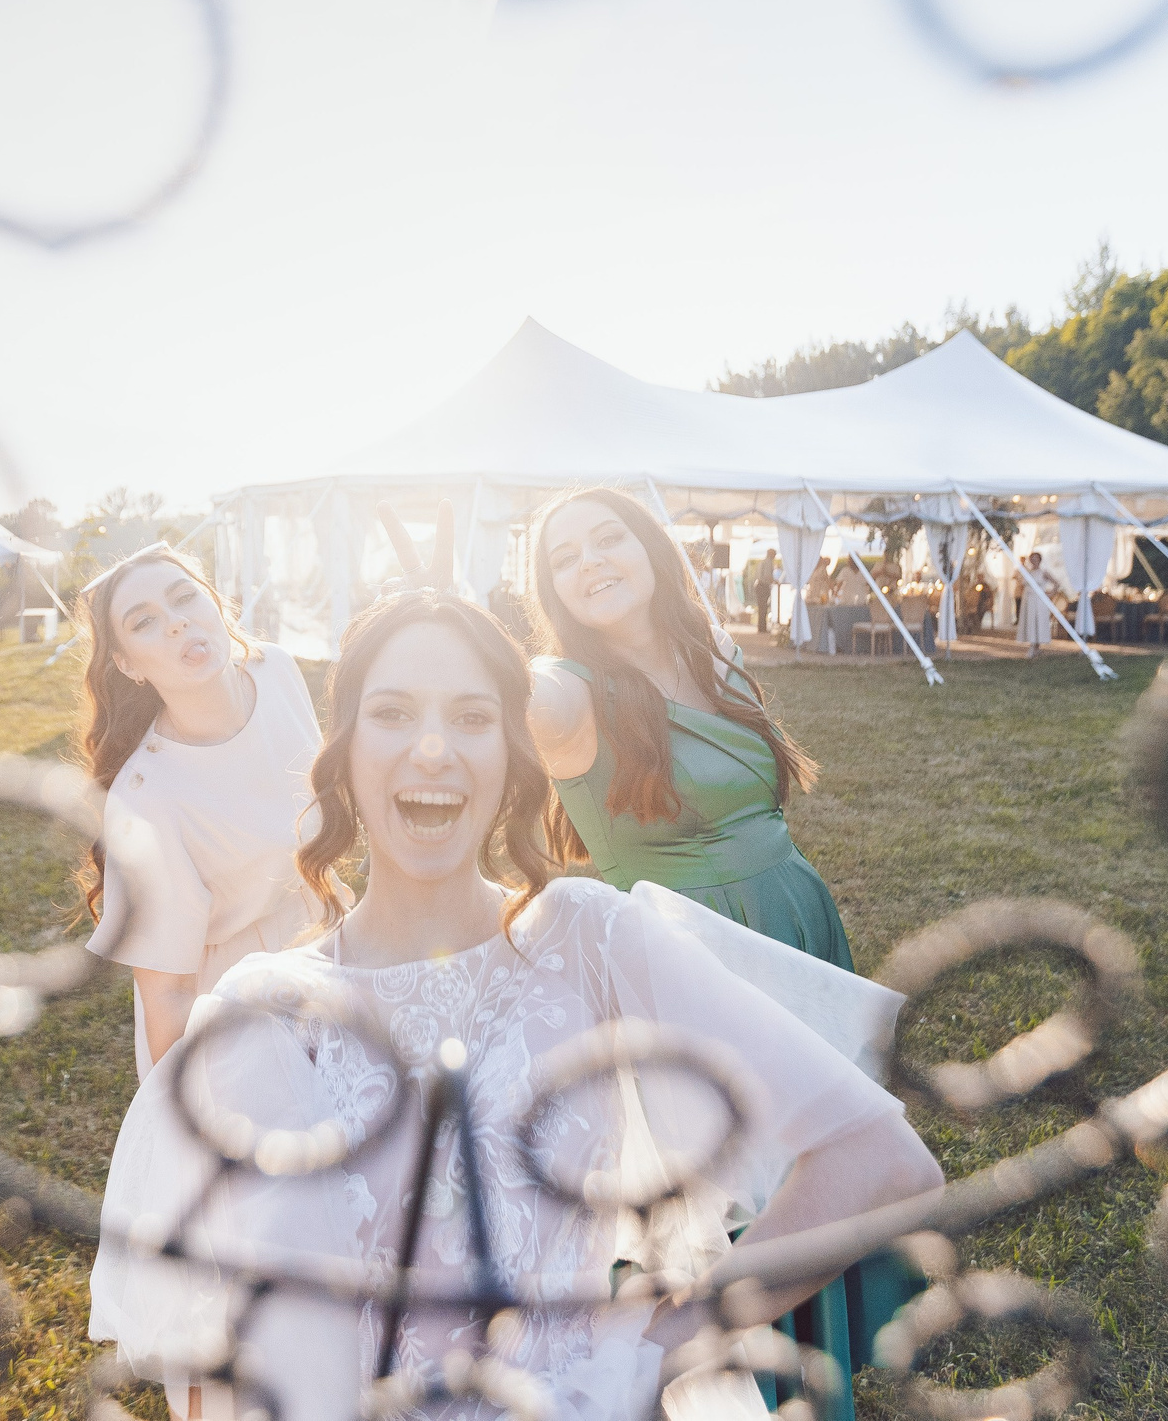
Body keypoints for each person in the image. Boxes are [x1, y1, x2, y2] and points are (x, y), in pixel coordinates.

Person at [89, 590, 944, 1421]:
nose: (432, 749)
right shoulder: (268, 1008)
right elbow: (219, 1355)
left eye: (471, 716)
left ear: (511, 760)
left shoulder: (589, 939)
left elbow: (880, 1160)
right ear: (344, 752)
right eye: (393, 713)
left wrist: (655, 1347)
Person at [519, 487, 917, 1415]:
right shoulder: (566, 693)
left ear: (651, 546)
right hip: (691, 967)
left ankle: (829, 1370)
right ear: (554, 591)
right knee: (746, 1198)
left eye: (607, 537)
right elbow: (505, 695)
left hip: (792, 928)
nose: (591, 561)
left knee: (831, 1157)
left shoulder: (717, 652)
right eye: (564, 556)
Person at [74, 544, 333, 1077]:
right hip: (232, 1013)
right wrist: (190, 1122)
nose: (176, 624)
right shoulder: (142, 801)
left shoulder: (278, 671)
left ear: (217, 604)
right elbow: (167, 997)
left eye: (185, 597)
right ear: (127, 665)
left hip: (328, 946)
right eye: (144, 622)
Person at [1015, 550, 1062, 658]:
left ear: (1039, 560)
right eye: (1032, 559)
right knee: (1030, 621)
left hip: (1038, 600)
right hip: (1028, 599)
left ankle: (1035, 646)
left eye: (1036, 559)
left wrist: (1050, 594)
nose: (1034, 561)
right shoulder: (1027, 572)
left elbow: (1056, 583)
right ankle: (1033, 645)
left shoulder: (1043, 572)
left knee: (1037, 621)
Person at [744, 548, 779, 636]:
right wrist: (775, 581)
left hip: (759, 585)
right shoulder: (768, 562)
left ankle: (761, 626)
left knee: (761, 607)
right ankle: (762, 628)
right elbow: (767, 575)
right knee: (763, 607)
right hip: (763, 586)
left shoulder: (762, 562)